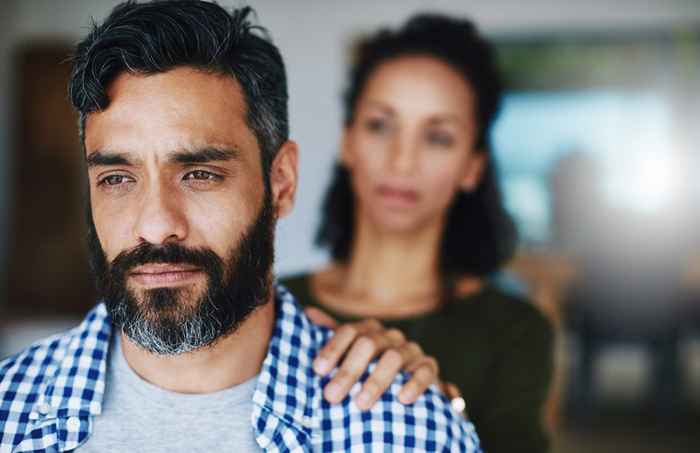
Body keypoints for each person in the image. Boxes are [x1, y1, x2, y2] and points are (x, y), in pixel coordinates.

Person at [0, 2, 480, 451]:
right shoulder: (8, 413)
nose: (155, 225)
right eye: (118, 178)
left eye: (200, 175)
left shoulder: (409, 434)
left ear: (282, 183)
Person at [282, 13, 554, 452]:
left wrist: (439, 405)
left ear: (472, 167)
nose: (402, 161)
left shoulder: (515, 330)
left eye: (438, 137)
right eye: (380, 125)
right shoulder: (271, 305)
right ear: (348, 141)